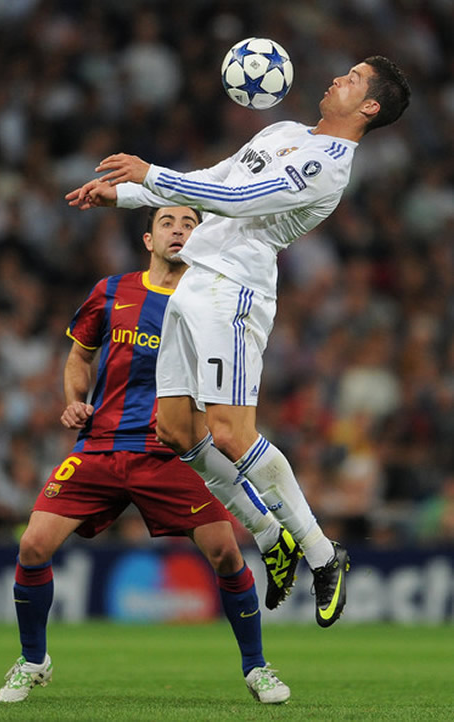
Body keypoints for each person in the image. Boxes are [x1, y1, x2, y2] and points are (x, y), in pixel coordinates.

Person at [66, 56, 411, 629]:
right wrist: (127, 198)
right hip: (192, 282)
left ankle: (325, 556)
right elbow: (215, 183)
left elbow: (243, 202)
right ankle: (270, 534)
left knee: (229, 433)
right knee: (174, 432)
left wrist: (149, 174)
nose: (334, 79)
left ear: (369, 107)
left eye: (351, 79)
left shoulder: (329, 165)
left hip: (235, 292)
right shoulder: (283, 132)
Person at [0, 205, 292, 706]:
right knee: (32, 547)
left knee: (224, 553)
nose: (178, 230)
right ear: (147, 239)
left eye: (189, 225)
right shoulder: (111, 291)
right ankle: (32, 660)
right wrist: (74, 400)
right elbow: (79, 355)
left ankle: (257, 667)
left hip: (176, 453)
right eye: (168, 223)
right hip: (102, 446)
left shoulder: (213, 300)